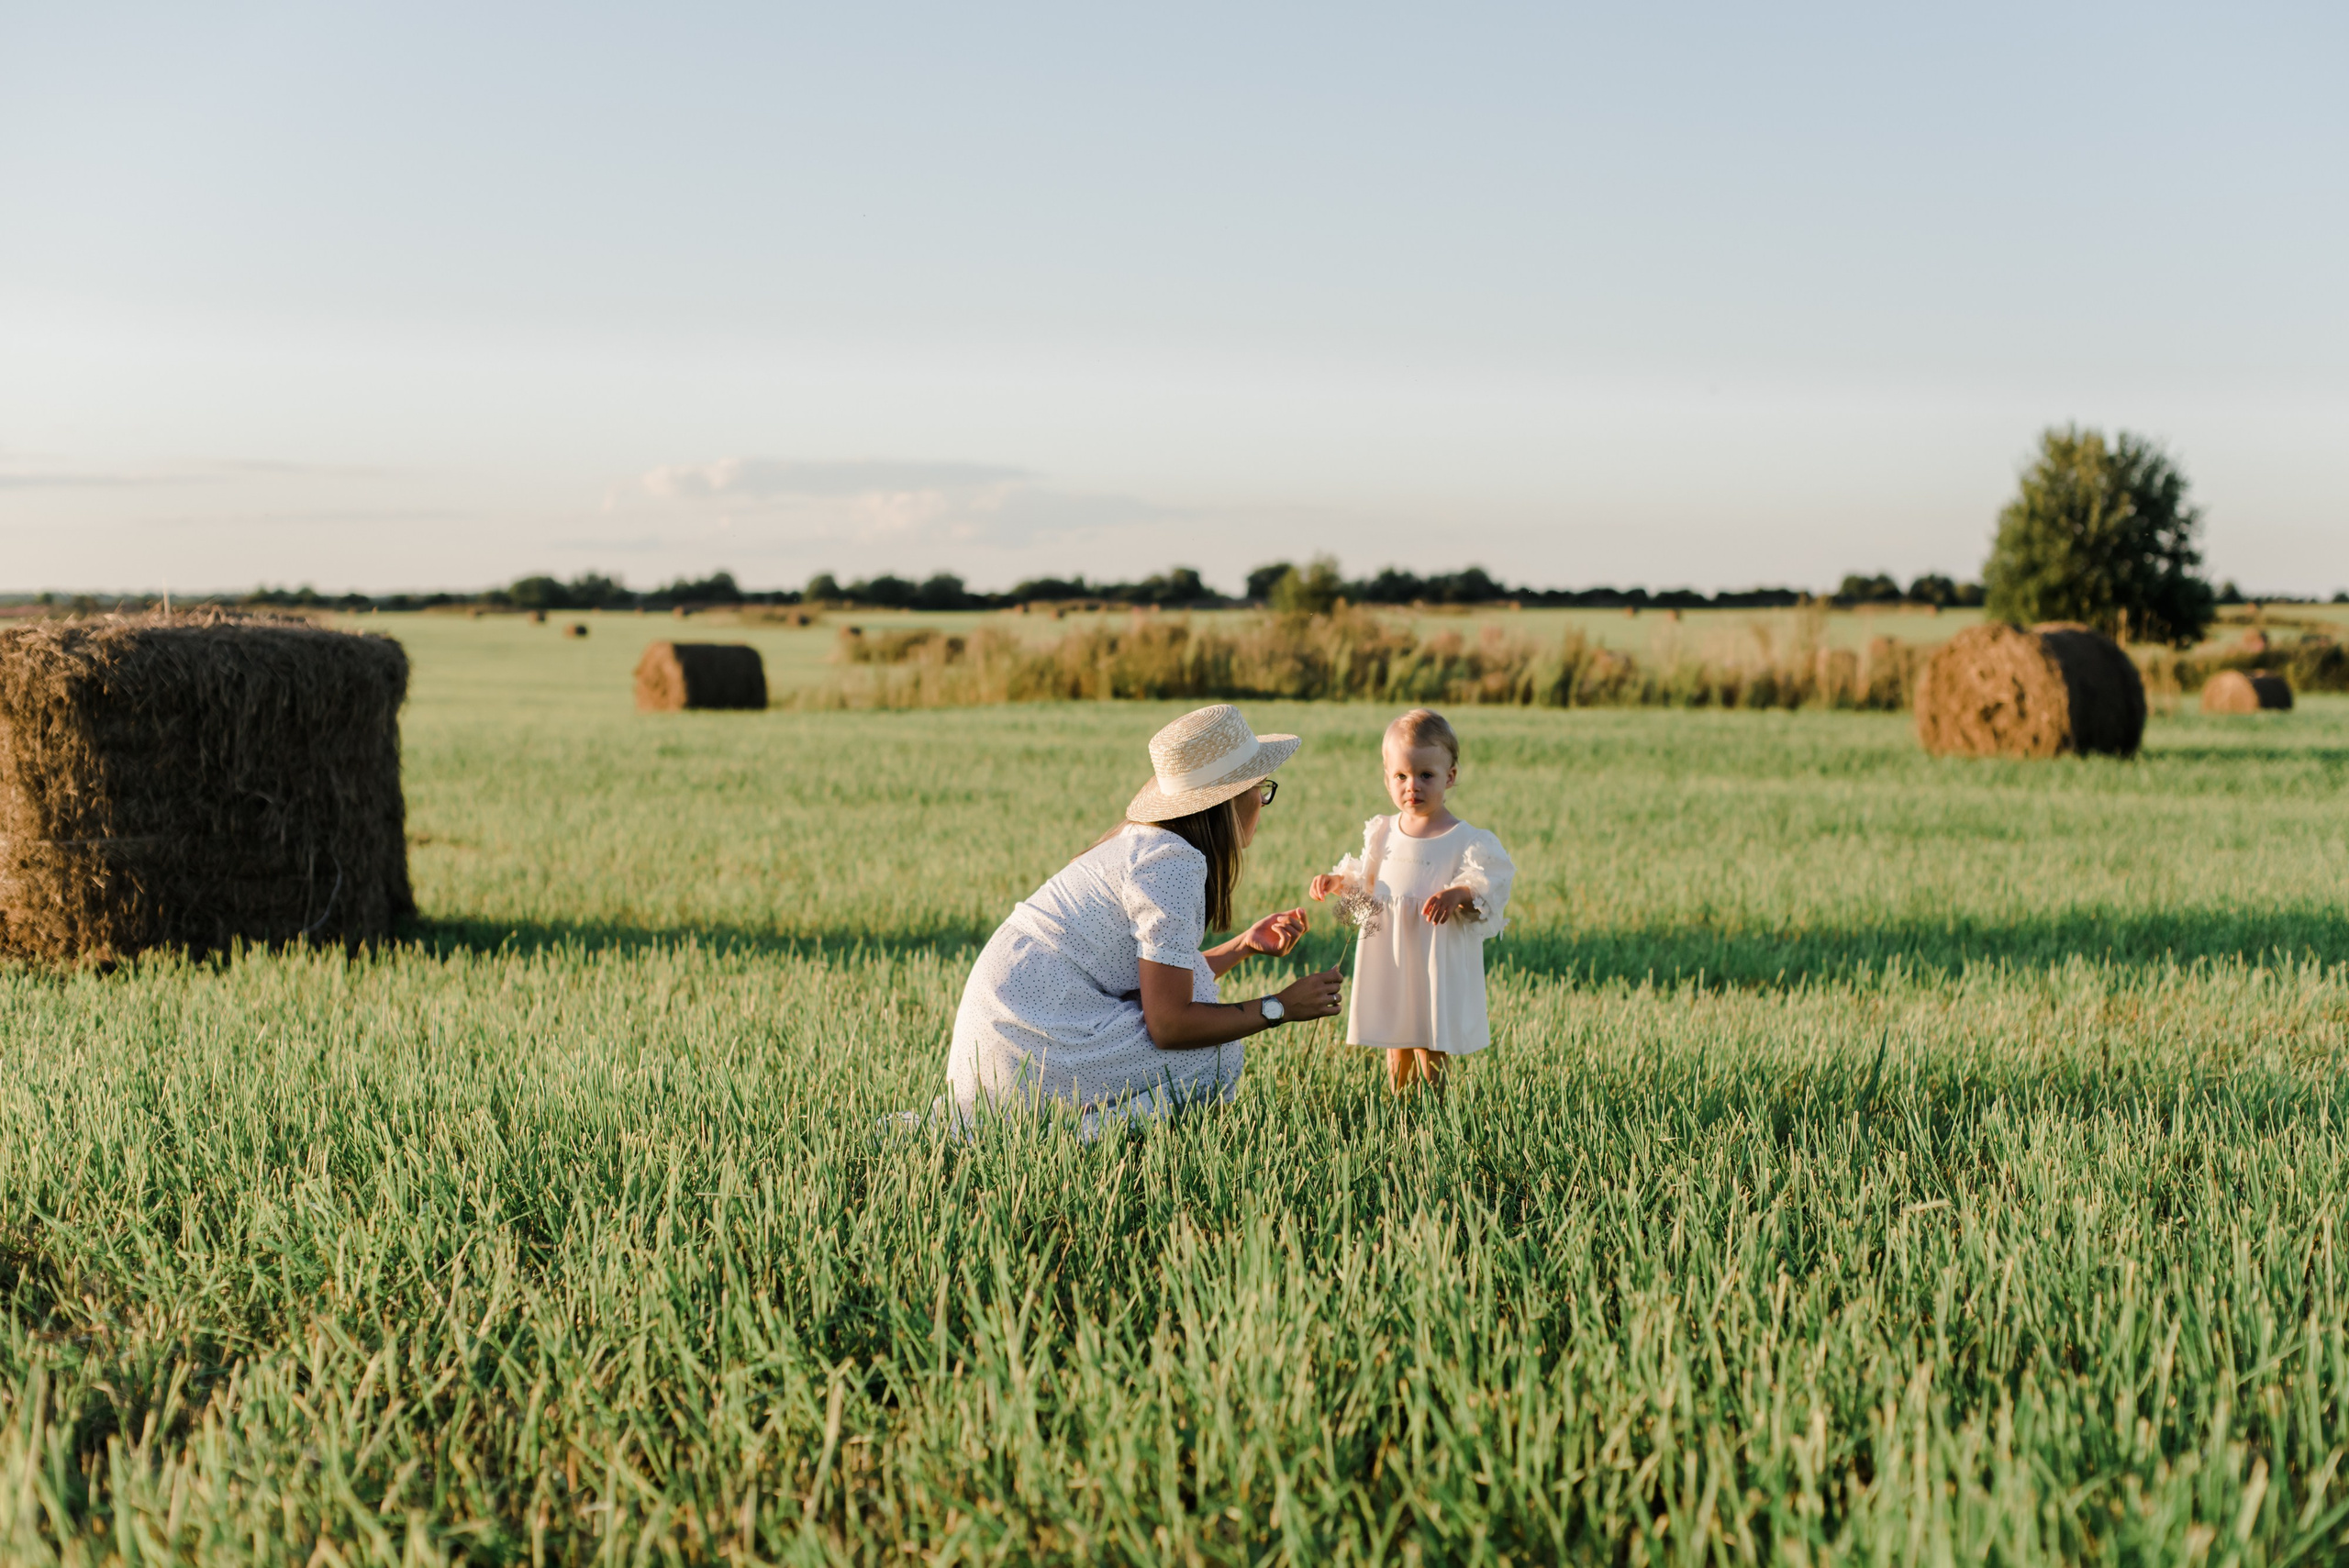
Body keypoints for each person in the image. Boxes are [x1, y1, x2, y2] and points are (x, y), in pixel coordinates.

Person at [943, 704, 1344, 1136]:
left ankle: (1070, 1129)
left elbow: (1161, 983)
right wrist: (1280, 1007)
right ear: (1229, 799)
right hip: (1025, 1037)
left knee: (1205, 1017)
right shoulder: (1172, 864)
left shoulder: (1145, 843)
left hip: (1005, 1036)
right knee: (1215, 1054)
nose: (1261, 801)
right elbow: (1171, 1024)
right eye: (1259, 788)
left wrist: (1243, 945)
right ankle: (1079, 1138)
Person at [1309, 708, 1514, 1095]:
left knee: (1429, 1035)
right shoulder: (1383, 832)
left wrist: (1458, 894)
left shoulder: (1464, 839)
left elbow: (1488, 890)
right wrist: (1339, 882)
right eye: (1401, 776)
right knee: (1397, 1034)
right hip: (1392, 952)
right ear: (1387, 778)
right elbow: (1367, 888)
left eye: (1426, 776)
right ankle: (1400, 1102)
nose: (1412, 786)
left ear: (1449, 777)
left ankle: (1434, 1104)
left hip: (1433, 955)